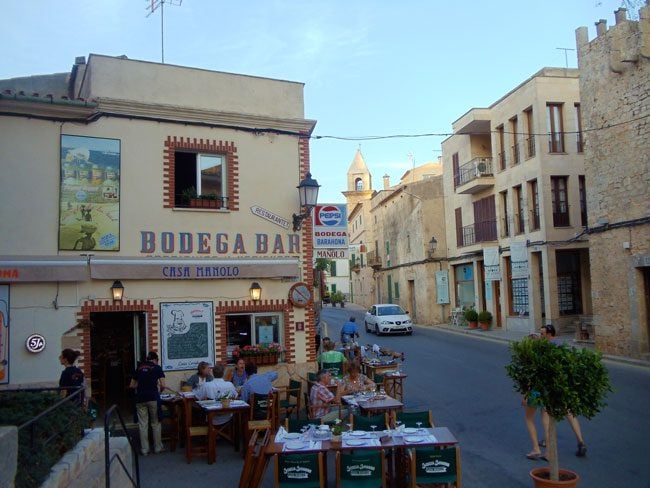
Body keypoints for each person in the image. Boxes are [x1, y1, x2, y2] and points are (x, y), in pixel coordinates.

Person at [539, 324, 588, 457]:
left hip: (552, 384)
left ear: (549, 334)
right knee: (569, 412)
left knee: (545, 412)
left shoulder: (547, 347)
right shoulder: (561, 344)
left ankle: (547, 442)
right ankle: (581, 441)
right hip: (564, 383)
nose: (540, 336)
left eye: (542, 334)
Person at [129, 351, 166, 456]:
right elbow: (163, 385)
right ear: (155, 359)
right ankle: (158, 447)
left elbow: (131, 385)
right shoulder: (157, 368)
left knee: (143, 424)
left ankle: (144, 449)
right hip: (153, 397)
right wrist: (159, 391)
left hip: (140, 398)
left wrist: (141, 386)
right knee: (155, 423)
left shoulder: (139, 368)